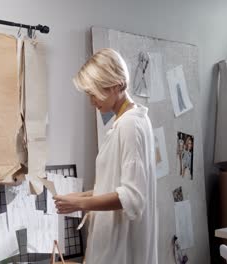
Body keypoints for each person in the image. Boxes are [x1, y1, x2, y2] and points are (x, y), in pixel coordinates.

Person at [53, 48, 158, 264]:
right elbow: (114, 185)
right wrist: (78, 198)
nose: (92, 101)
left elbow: (132, 197)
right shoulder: (128, 122)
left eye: (94, 93)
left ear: (114, 85)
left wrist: (82, 205)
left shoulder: (130, 125)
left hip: (122, 249)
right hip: (112, 242)